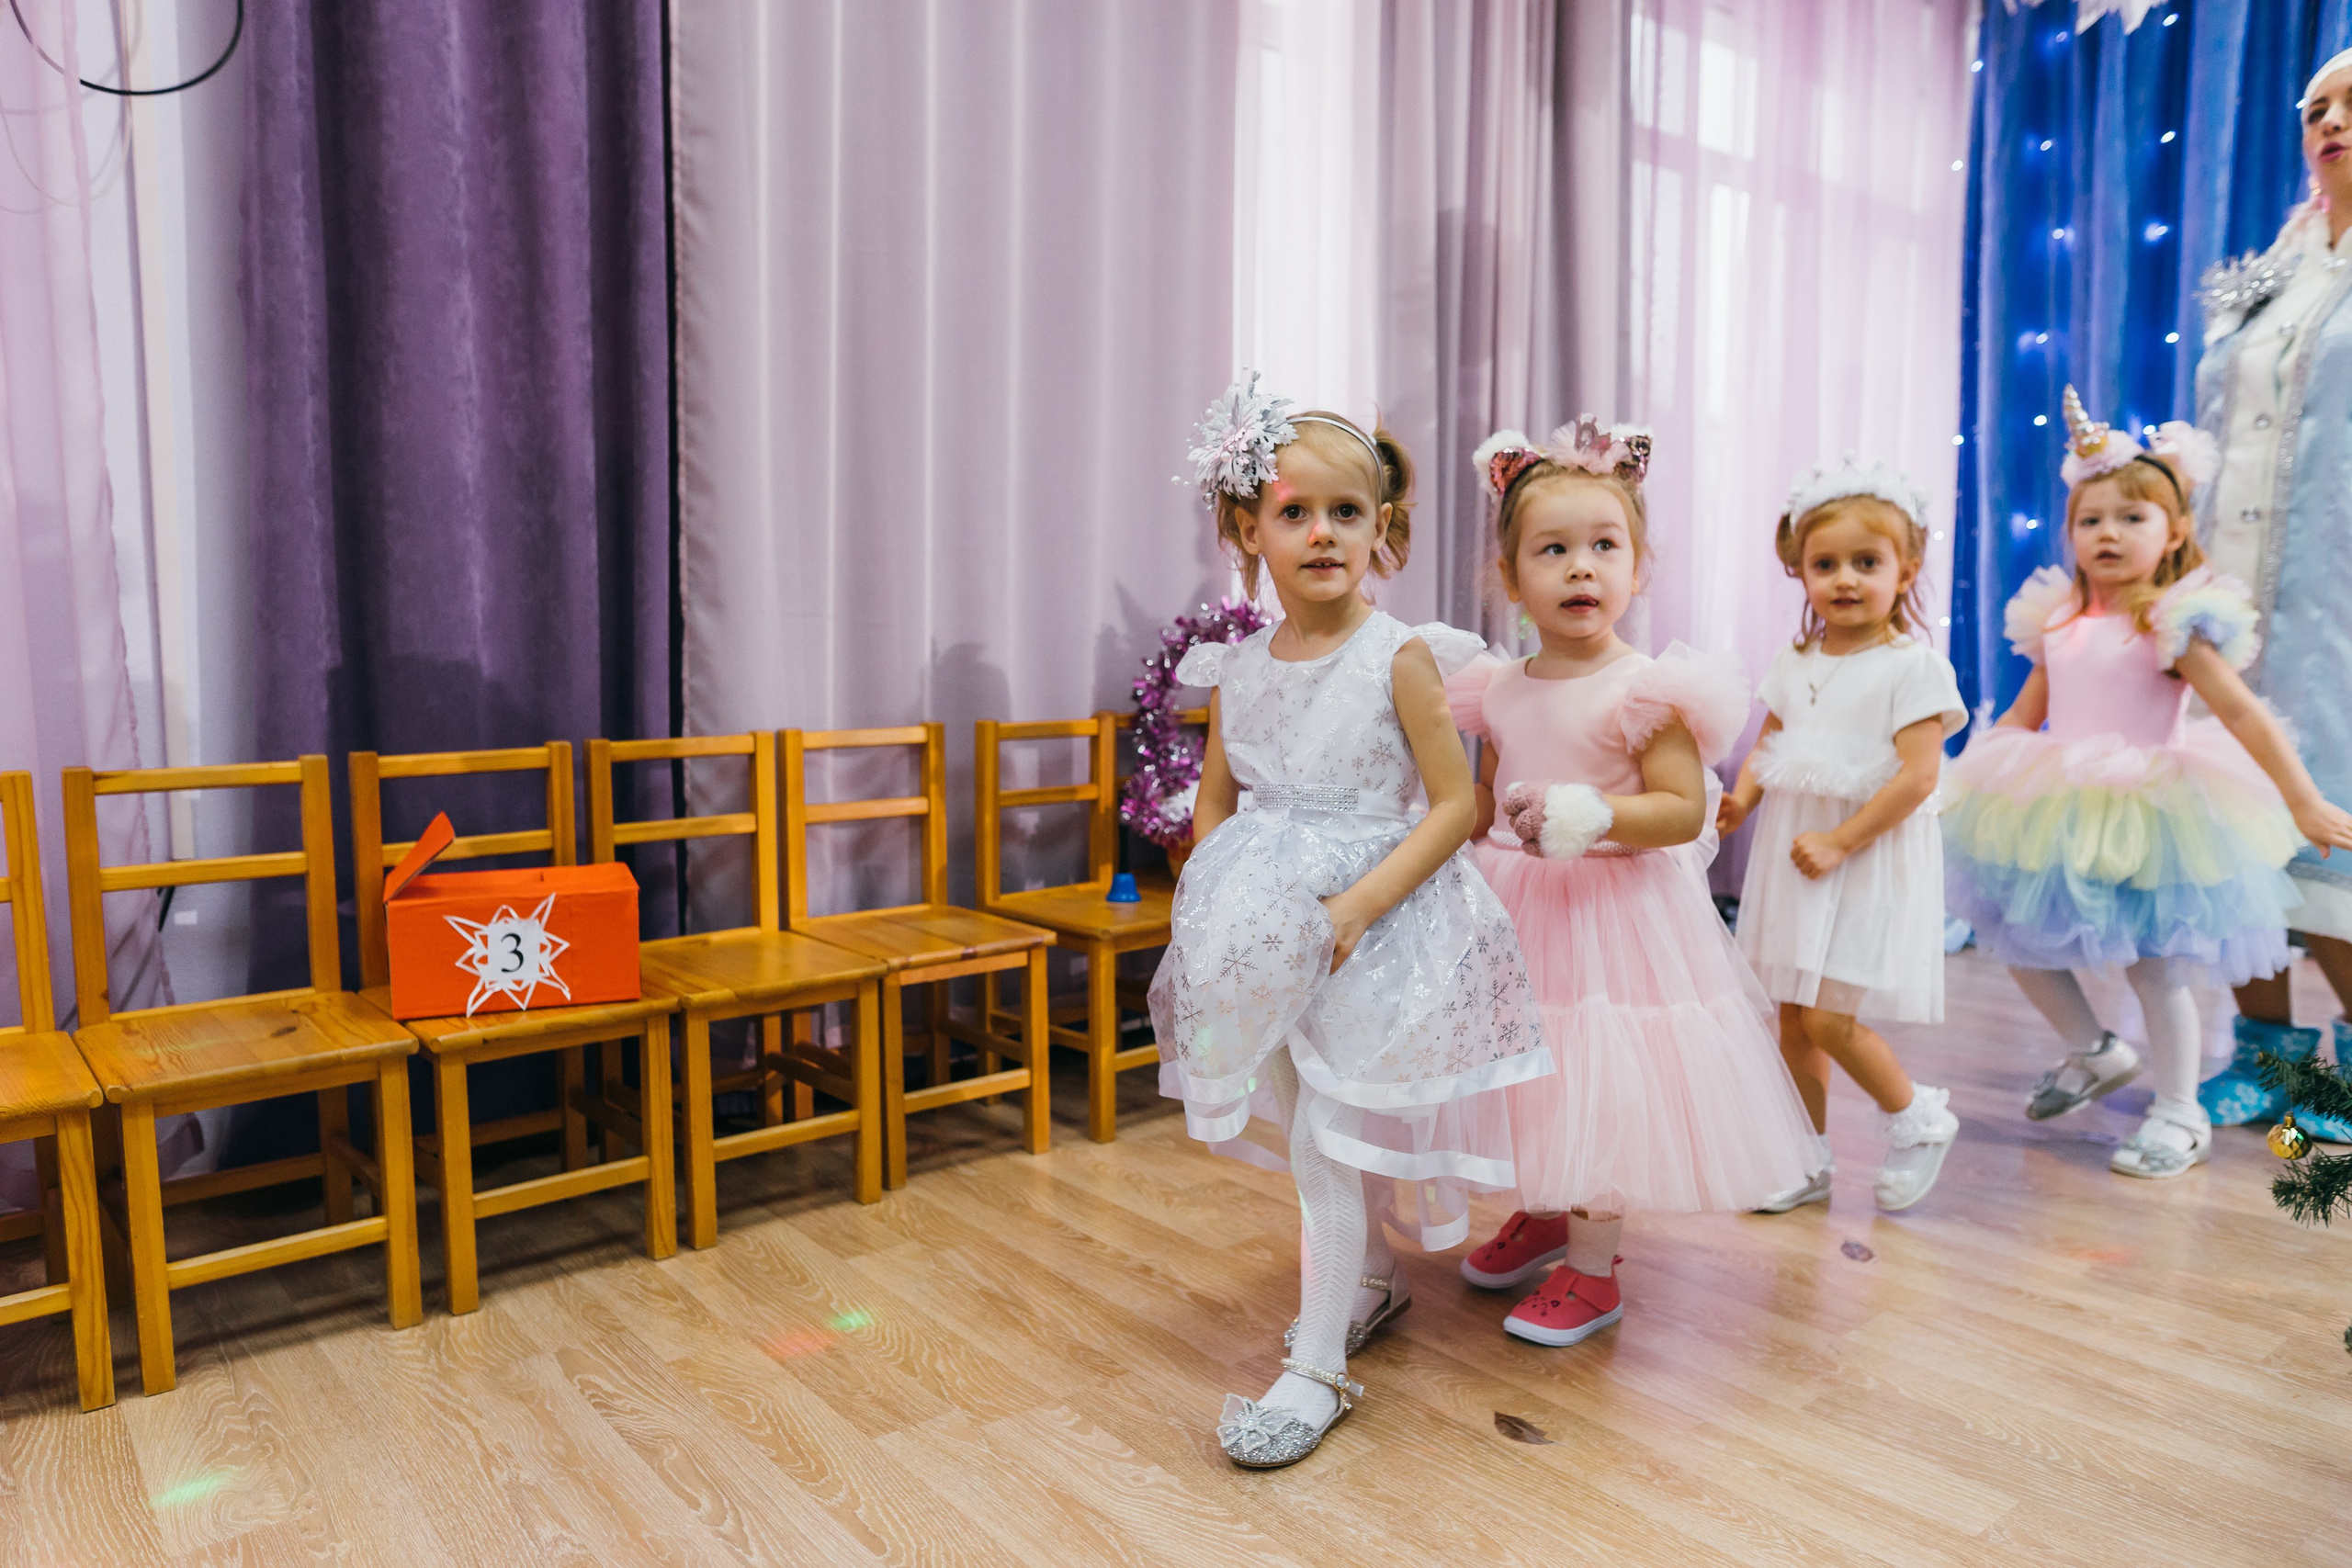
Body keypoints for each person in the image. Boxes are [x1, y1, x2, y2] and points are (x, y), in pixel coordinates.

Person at [1149, 373, 1546, 1469]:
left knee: (1329, 1137)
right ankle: (1365, 1284)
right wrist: (1211, 902)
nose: (1320, 533)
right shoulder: (1239, 663)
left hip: (1377, 921)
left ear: (1384, 531)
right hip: (1261, 924)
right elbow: (1221, 793)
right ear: (1247, 532)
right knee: (1296, 1120)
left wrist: (1359, 906)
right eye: (1292, 513)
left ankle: (1316, 1366)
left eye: (1345, 513)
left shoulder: (1397, 654)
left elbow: (1455, 801)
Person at [1445, 421, 1815, 1348]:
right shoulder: (1496, 687)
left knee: (1598, 1073)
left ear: (1638, 568)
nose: (1581, 569)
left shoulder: (1647, 689)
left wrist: (1590, 816)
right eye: (1554, 550)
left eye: (1603, 547)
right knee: (1527, 1067)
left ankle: (1594, 1265)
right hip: (1516, 904)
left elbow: (1683, 813)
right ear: (1510, 574)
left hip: (1614, 912)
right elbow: (1488, 792)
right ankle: (1544, 1205)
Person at [1943, 389, 2352, 1178]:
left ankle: (2178, 1110)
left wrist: (2301, 797)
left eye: (2132, 518)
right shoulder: (2056, 620)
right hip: (2057, 802)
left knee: (2156, 966)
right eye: (2092, 519)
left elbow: (2245, 716)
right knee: (2017, 939)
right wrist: (1969, 782)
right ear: (2071, 532)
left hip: (2153, 808)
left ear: (2174, 534)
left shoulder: (2172, 620)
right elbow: (2022, 719)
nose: (2109, 533)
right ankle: (2092, 1047)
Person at [1718, 459, 1969, 1212]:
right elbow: (1772, 735)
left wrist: (1842, 842)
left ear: (1907, 568)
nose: (1846, 579)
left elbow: (1919, 776)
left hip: (1864, 854)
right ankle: (1805, 1156)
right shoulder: (1796, 659)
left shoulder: (1913, 666)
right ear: (1800, 570)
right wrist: (1741, 799)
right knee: (1791, 1013)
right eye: (1826, 564)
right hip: (1798, 854)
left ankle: (1917, 1117)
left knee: (1831, 1015)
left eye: (1868, 562)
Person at [2194, 49, 2352, 1138]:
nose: (2329, 121)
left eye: (2351, 105)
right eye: (2315, 108)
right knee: (2237, 826)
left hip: (2339, 596)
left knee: (2332, 813)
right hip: (2235, 593)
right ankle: (2274, 1060)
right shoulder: (2271, 269)